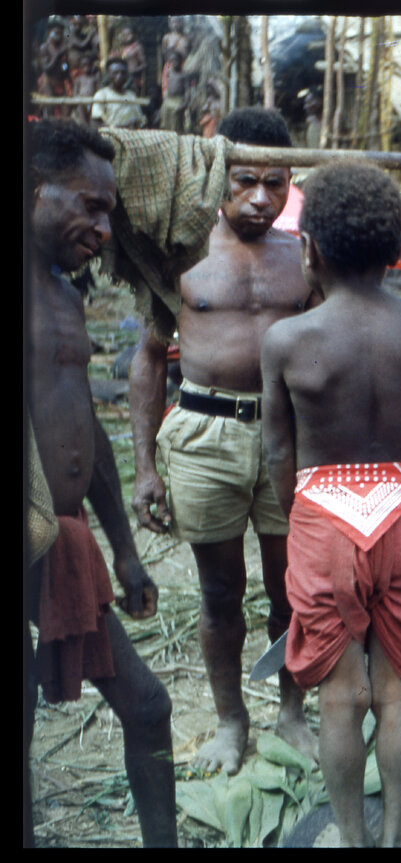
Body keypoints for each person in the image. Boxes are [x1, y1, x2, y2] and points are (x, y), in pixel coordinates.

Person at [260, 161, 401, 846]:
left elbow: (277, 449)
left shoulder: (287, 339)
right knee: (400, 692)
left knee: (340, 697)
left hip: (319, 511)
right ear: (394, 251)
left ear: (310, 248)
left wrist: (309, 517)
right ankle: (398, 836)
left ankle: (349, 835)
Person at [128, 107, 318, 776]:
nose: (261, 197)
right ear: (219, 174)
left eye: (276, 181)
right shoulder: (183, 253)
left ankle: (291, 714)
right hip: (203, 431)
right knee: (218, 593)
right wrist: (144, 466)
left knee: (292, 587)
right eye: (244, 180)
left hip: (286, 433)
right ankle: (231, 721)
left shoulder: (305, 258)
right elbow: (151, 360)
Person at [26, 118, 177, 847]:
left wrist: (122, 548)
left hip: (61, 537)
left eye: (109, 210)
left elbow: (85, 427)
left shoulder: (62, 292)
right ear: (33, 191)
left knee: (147, 707)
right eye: (88, 205)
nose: (103, 226)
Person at [90, 58, 145, 130]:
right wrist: (119, 128)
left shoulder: (131, 95)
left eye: (123, 73)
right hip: (110, 136)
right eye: (115, 73)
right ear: (108, 74)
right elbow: (95, 123)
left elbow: (139, 120)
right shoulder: (102, 95)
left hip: (131, 136)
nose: (119, 76)